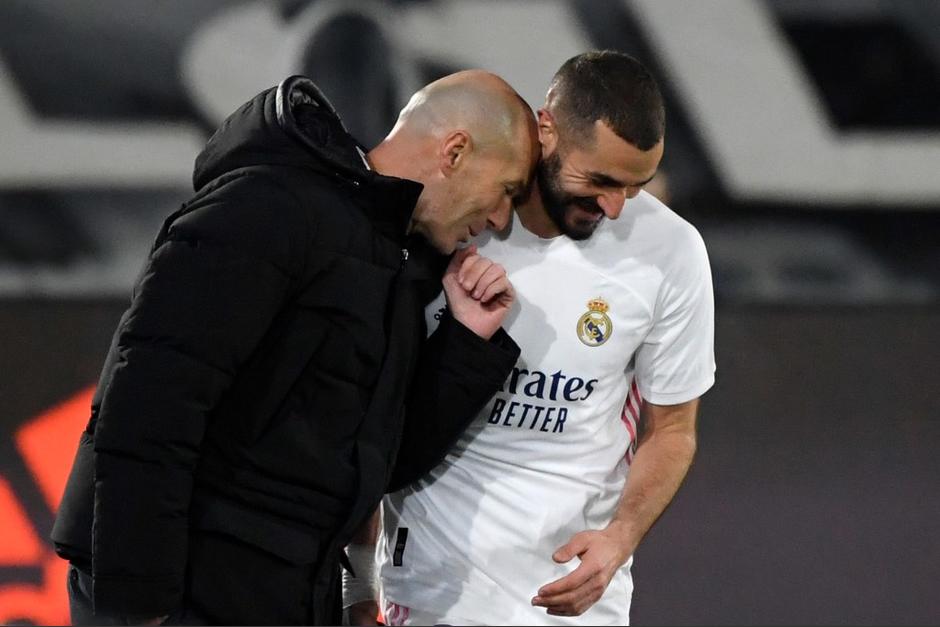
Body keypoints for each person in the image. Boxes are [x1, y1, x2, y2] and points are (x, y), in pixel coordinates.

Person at [51, 69, 539, 625]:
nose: (500, 220)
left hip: (279, 598)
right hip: (183, 596)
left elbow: (379, 461)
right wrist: (140, 602)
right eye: (506, 191)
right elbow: (148, 403)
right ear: (454, 152)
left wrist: (464, 340)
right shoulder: (266, 205)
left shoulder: (395, 264)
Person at [368, 51, 715, 625]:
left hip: (575, 600)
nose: (613, 207)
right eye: (600, 180)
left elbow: (673, 430)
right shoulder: (451, 220)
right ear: (546, 129)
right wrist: (360, 577)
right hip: (431, 592)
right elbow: (374, 417)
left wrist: (620, 538)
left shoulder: (671, 251)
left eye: (634, 187)